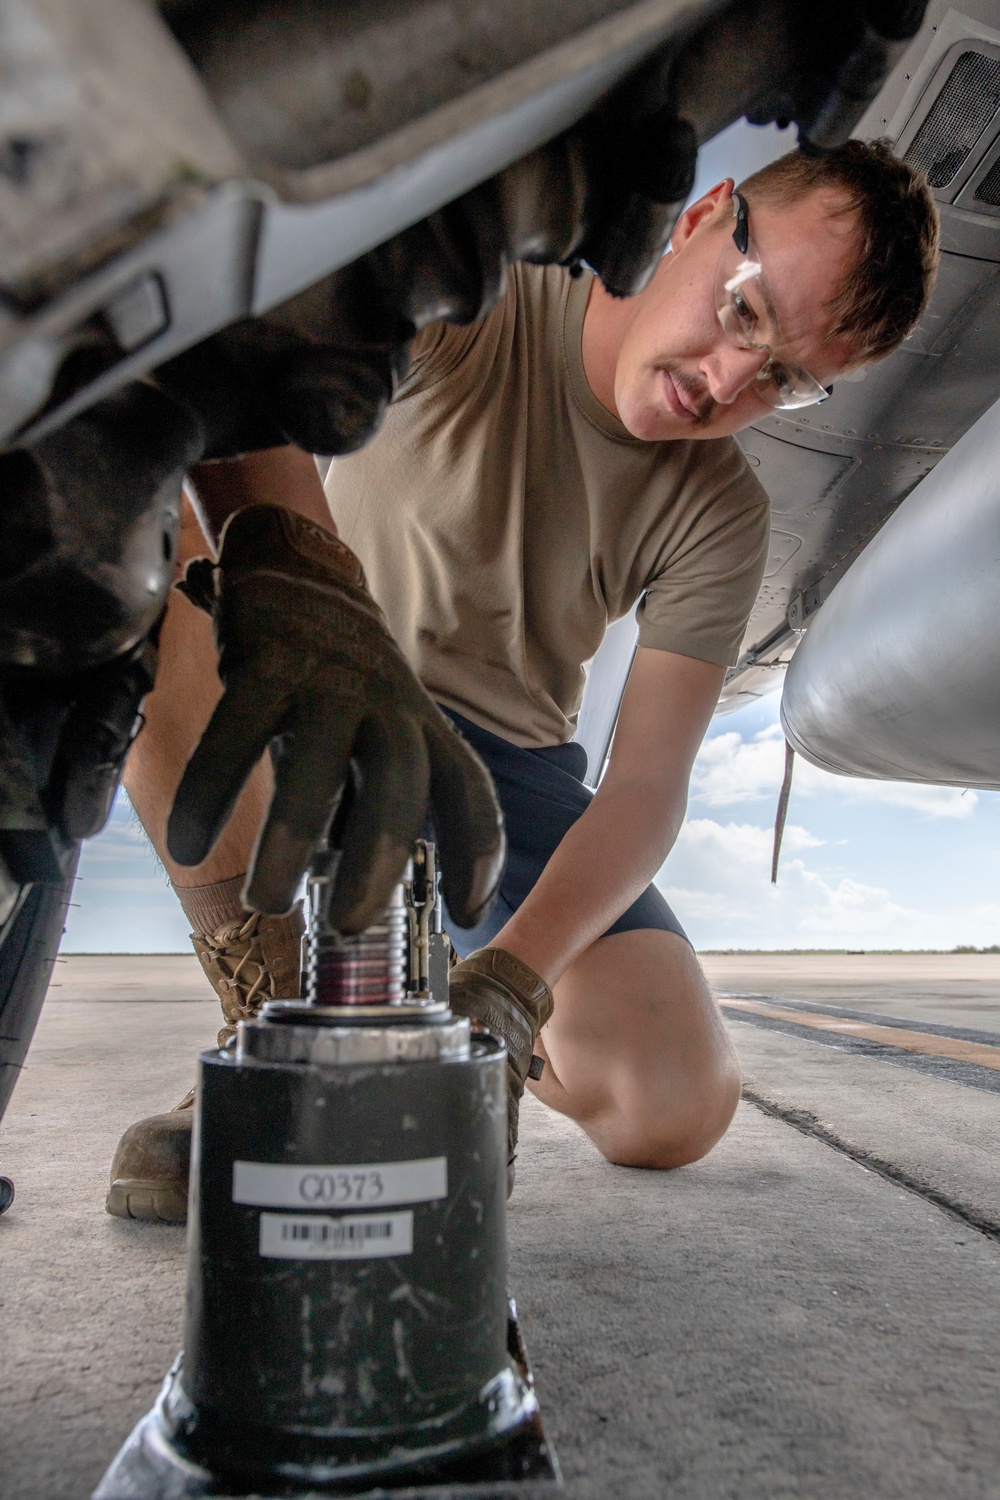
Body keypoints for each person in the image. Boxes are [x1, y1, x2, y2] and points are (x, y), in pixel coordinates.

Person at [108, 142, 938, 1221]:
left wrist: (504, 990)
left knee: (671, 1102)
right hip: (310, 687)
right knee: (147, 512)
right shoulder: (479, 299)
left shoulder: (721, 513)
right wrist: (299, 582)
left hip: (502, 782)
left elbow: (643, 789)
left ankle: (435, 1041)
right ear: (701, 215)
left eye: (781, 380)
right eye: (744, 315)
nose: (729, 384)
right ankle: (276, 1028)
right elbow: (238, 370)